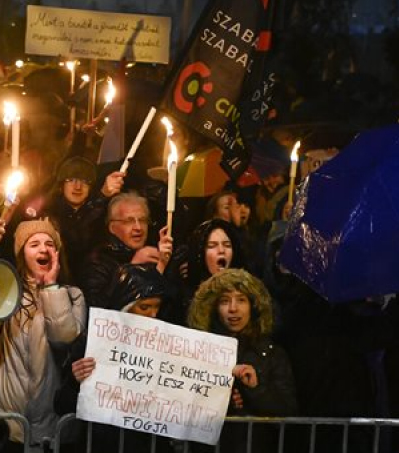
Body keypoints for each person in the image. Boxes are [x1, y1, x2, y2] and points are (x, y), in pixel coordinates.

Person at [0, 219, 87, 452]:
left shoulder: (72, 295)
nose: (43, 249)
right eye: (34, 244)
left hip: (54, 428)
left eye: (50, 244)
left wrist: (50, 288)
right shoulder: (7, 292)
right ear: (21, 254)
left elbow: (63, 339)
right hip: (10, 425)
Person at [55, 264, 174, 452]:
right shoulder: (92, 341)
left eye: (157, 307)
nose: (153, 315)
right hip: (104, 444)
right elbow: (62, 404)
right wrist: (74, 380)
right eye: (145, 307)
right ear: (125, 306)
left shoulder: (170, 345)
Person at [187, 268, 297, 453]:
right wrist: (220, 400)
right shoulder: (198, 352)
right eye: (224, 301)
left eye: (241, 300)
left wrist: (255, 389)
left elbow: (288, 411)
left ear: (253, 306)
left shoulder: (272, 354)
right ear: (213, 308)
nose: (233, 308)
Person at [81, 192, 173, 310]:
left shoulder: (156, 254)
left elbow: (168, 310)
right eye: (129, 221)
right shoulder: (97, 261)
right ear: (112, 228)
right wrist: (132, 269)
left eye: (143, 220)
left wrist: (162, 266)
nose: (138, 227)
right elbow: (98, 310)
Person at [42, 156, 124, 279]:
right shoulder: (49, 214)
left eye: (85, 181)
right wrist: (101, 197)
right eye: (71, 180)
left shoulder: (104, 212)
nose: (78, 186)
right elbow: (74, 242)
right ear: (61, 185)